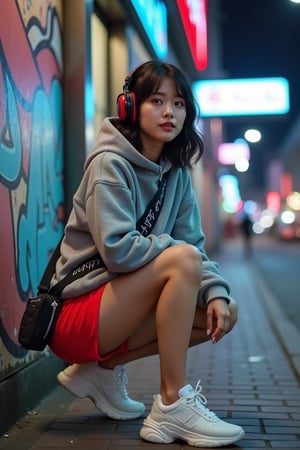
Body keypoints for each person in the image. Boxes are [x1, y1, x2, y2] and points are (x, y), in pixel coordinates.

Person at [49, 60, 245, 447]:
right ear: (131, 106)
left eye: (178, 103)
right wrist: (177, 251)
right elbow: (120, 252)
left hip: (117, 310)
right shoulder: (110, 164)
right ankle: (172, 405)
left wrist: (217, 291)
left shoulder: (177, 174)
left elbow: (194, 245)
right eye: (157, 100)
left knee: (221, 312)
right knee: (182, 259)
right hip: (75, 314)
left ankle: (102, 368)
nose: (169, 112)